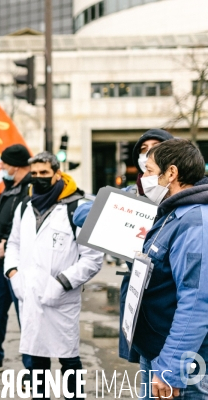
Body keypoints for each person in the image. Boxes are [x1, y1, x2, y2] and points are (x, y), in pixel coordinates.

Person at [72, 128, 173, 369]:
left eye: (155, 148)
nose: (147, 154)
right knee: (147, 367)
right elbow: (80, 214)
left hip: (168, 295)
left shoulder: (177, 196)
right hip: (139, 292)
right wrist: (127, 208)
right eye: (143, 150)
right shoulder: (131, 193)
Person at [4, 151, 103, 399]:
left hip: (61, 299)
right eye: (34, 174)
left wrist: (62, 283)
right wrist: (14, 273)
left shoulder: (76, 208)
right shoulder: (25, 207)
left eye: (44, 173)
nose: (38, 178)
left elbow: (92, 258)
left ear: (57, 174)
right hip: (29, 294)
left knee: (68, 361)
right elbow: (13, 244)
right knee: (37, 361)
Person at [131, 139, 208, 399]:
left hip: (179, 362)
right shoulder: (173, 213)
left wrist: (171, 369)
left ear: (171, 173)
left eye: (150, 171)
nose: (144, 178)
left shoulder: (195, 222)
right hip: (157, 350)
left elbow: (196, 302)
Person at [0, 144, 33, 373]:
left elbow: (27, 224)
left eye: (4, 163)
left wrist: (6, 243)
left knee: (25, 317)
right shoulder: (9, 189)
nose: (1, 167)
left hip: (18, 265)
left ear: (14, 165)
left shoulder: (30, 189)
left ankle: (32, 367)